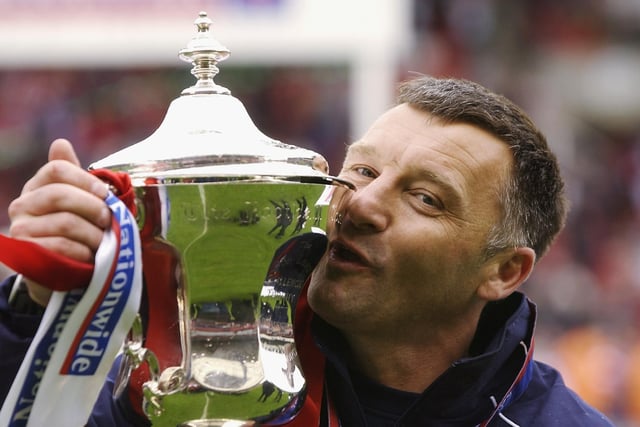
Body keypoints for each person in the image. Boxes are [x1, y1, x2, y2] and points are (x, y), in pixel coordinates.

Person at [0, 75, 614, 426]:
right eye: (362, 171)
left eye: (425, 199)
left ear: (504, 271)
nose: (364, 205)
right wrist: (35, 309)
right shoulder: (197, 364)